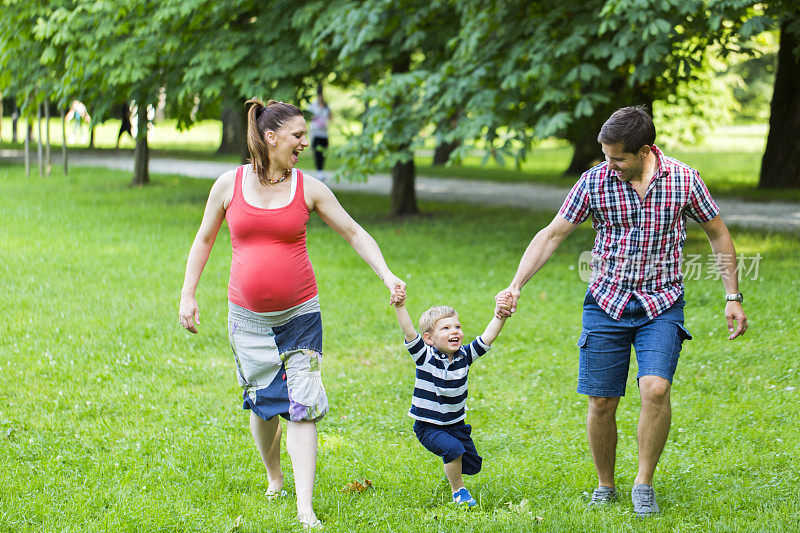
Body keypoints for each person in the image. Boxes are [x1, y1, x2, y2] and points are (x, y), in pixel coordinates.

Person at [494, 106, 747, 517]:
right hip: (606, 302)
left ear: (644, 150)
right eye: (606, 156)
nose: (609, 166)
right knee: (601, 403)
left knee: (656, 389)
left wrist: (731, 295)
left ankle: (643, 482)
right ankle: (605, 484)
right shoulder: (594, 182)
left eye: (618, 158)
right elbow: (552, 234)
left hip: (661, 302)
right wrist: (515, 285)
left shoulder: (684, 179)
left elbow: (718, 232)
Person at [178, 98, 406, 529]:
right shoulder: (228, 185)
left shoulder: (309, 187)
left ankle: (305, 506)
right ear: (271, 137)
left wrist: (386, 273)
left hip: (301, 314)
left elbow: (353, 231)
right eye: (298, 135)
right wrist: (188, 294)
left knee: (303, 403)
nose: (306, 141)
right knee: (264, 407)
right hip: (247, 319)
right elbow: (204, 239)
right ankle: (273, 475)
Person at [392, 290, 509, 507]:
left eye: (457, 326)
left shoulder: (465, 356)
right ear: (429, 338)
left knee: (472, 464)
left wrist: (499, 316)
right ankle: (459, 491)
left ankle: (453, 468)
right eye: (445, 328)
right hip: (429, 426)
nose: (454, 331)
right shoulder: (425, 356)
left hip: (456, 424)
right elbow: (409, 331)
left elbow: (487, 337)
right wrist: (400, 306)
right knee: (453, 450)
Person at [308, 87, 331, 182]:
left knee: (323, 153)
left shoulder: (326, 107)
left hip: (324, 133)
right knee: (317, 153)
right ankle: (319, 172)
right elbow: (310, 116)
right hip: (316, 133)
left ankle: (321, 171)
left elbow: (330, 117)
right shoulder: (313, 106)